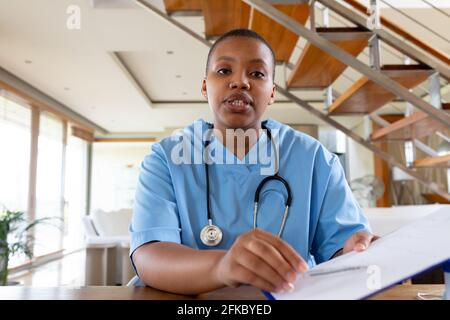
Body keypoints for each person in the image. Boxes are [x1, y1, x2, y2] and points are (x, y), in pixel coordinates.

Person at [129, 28, 377, 295]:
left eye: (257, 74)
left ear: (272, 92)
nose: (240, 82)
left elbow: (341, 250)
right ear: (205, 86)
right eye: (224, 71)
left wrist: (355, 251)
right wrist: (222, 267)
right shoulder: (166, 158)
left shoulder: (314, 158)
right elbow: (150, 256)